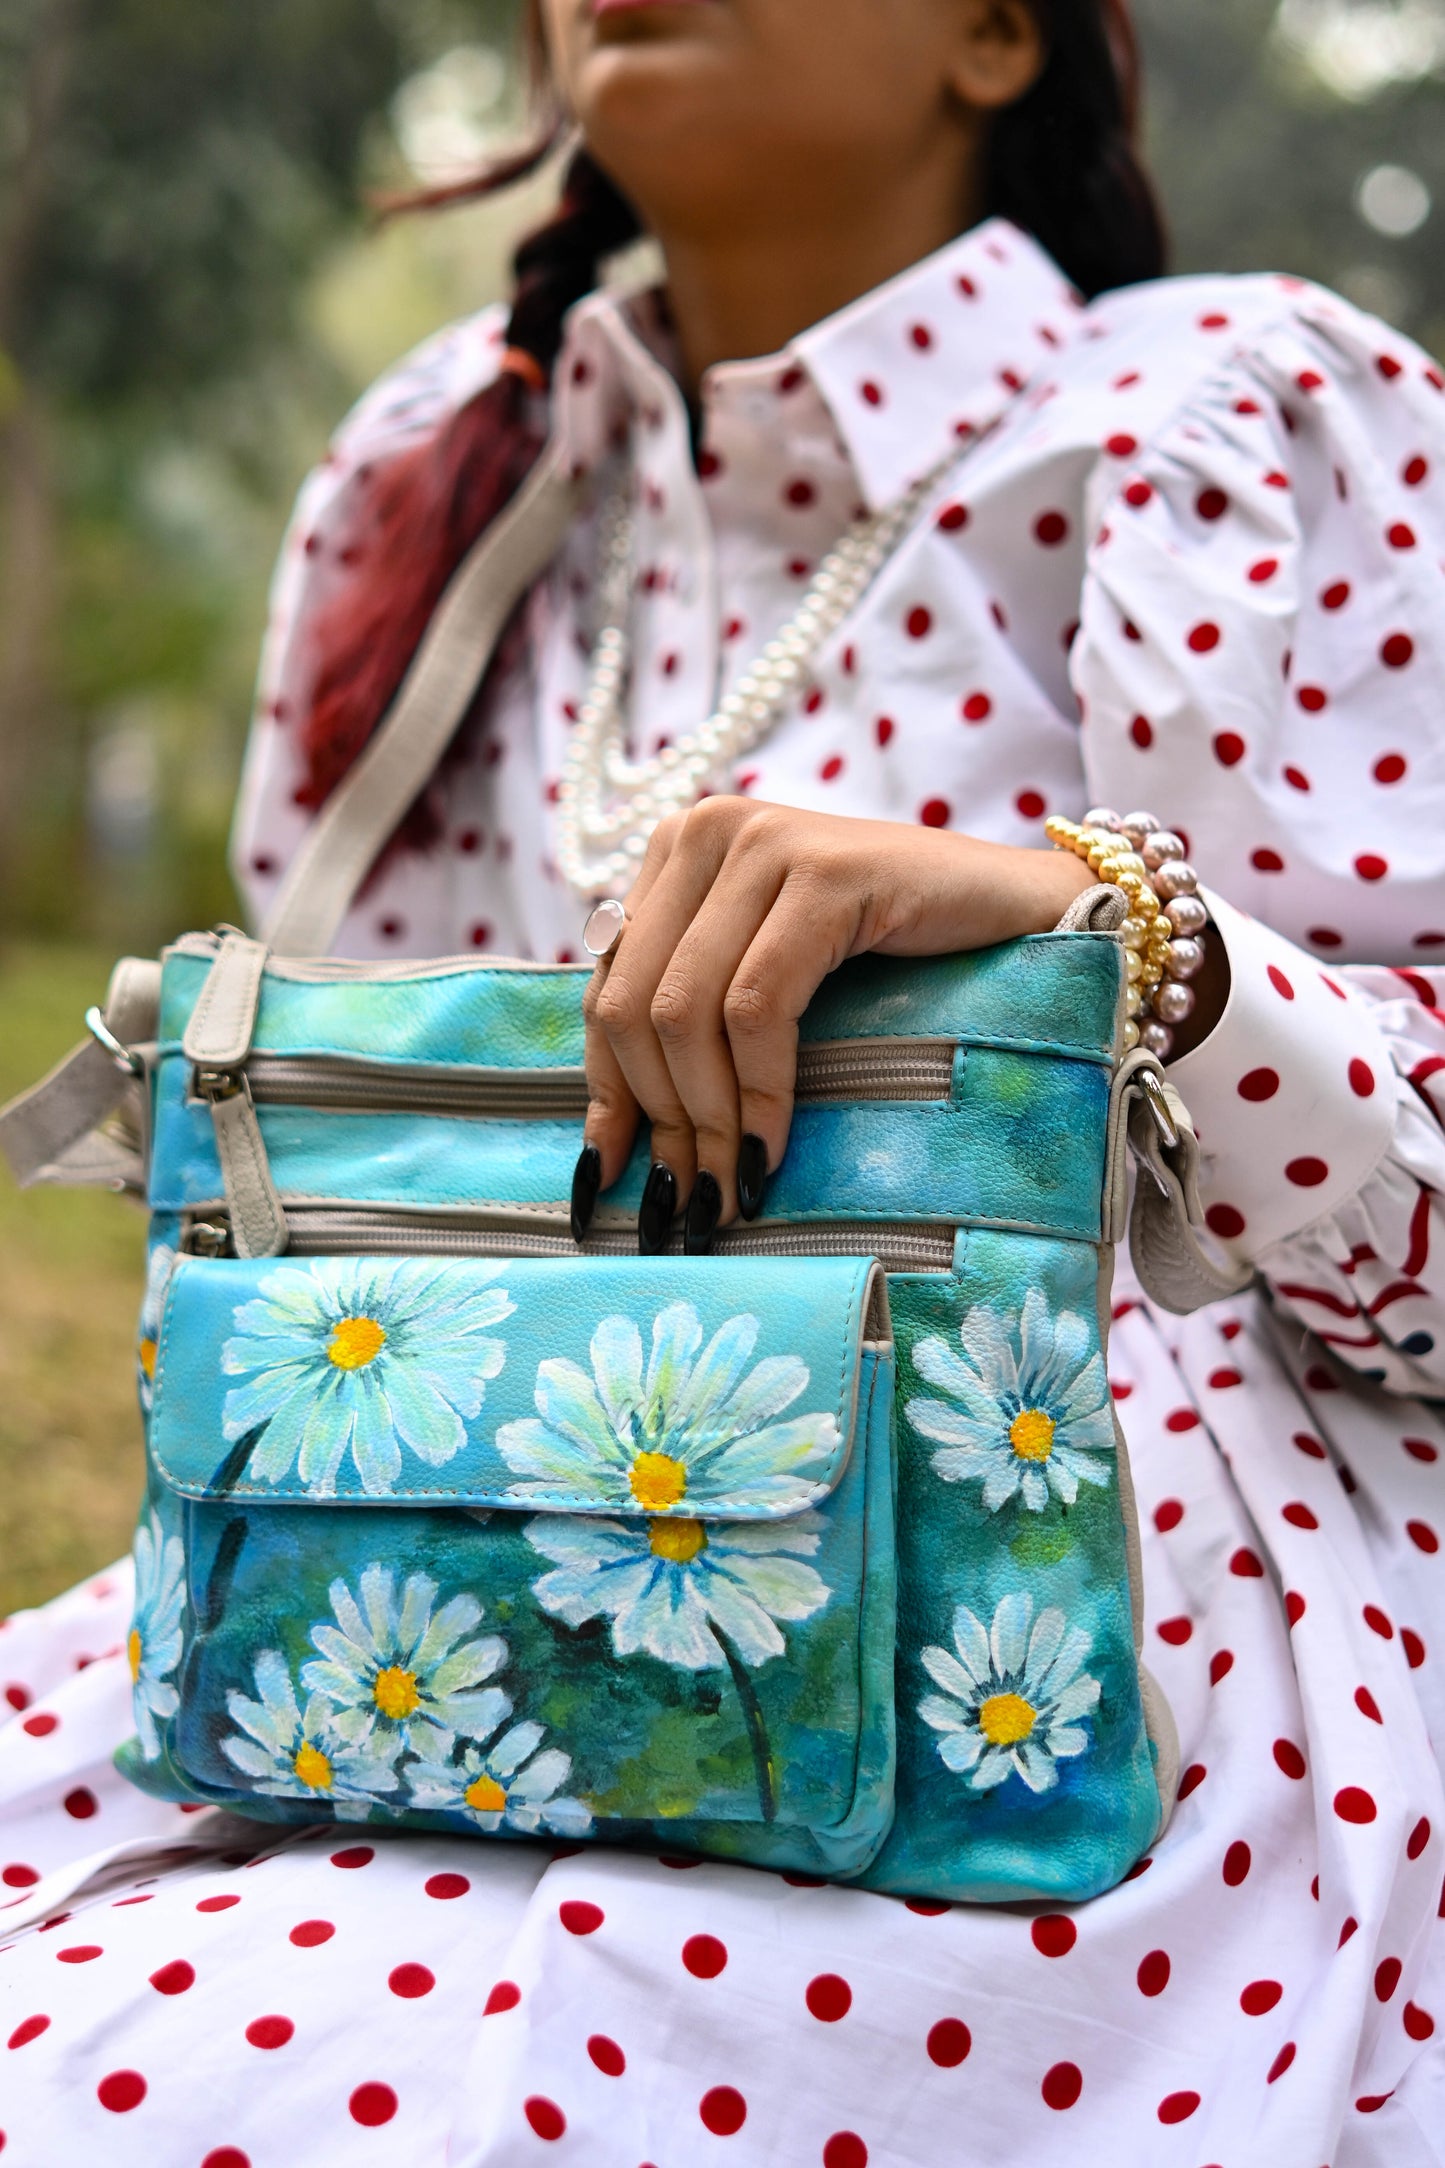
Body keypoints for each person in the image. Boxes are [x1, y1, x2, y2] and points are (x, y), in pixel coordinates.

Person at [2, 1, 1443, 2161]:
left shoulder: (1224, 417)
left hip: (1089, 1624)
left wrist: (1109, 933)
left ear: (994, 31)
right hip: (414, 1565)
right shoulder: (443, 483)